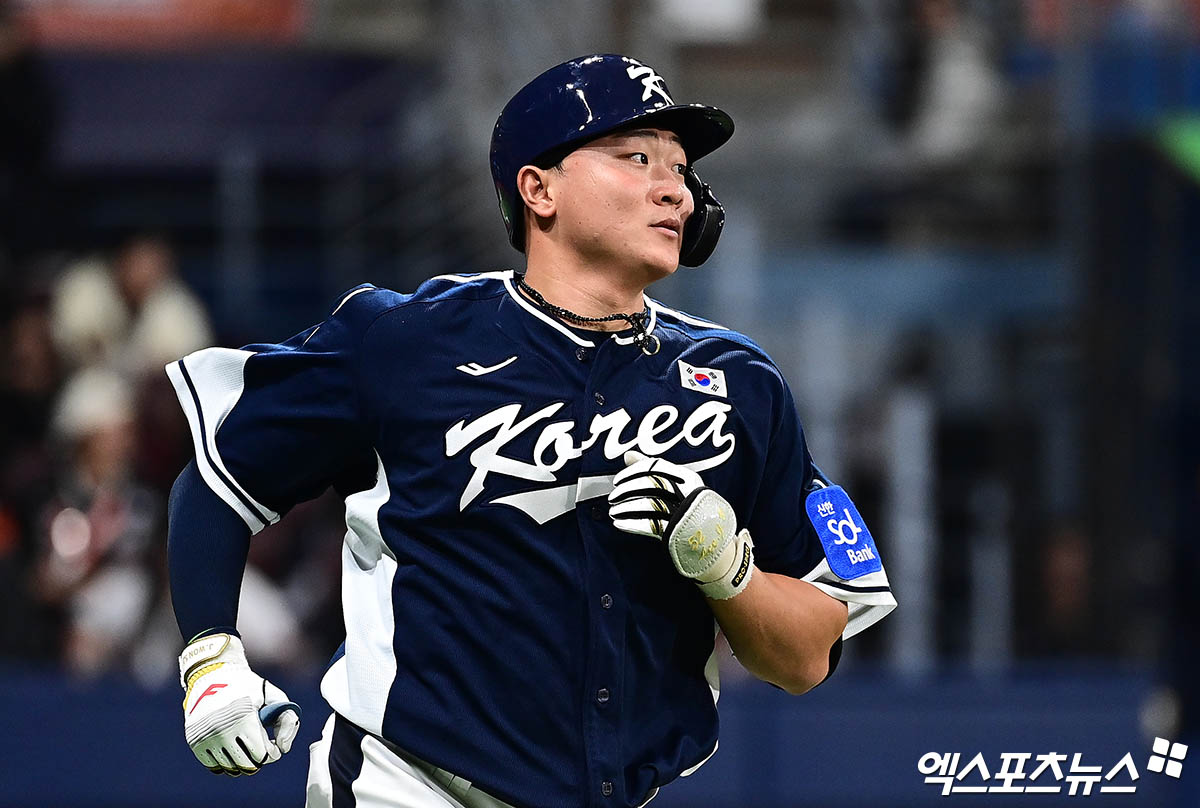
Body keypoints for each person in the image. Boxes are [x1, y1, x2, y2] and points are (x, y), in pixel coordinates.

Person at [165, 54, 896, 808]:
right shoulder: (406, 340)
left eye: (680, 169)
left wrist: (730, 571)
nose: (674, 189)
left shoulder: (740, 382)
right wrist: (210, 658)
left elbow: (807, 658)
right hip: (406, 785)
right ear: (538, 189)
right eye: (636, 157)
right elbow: (220, 477)